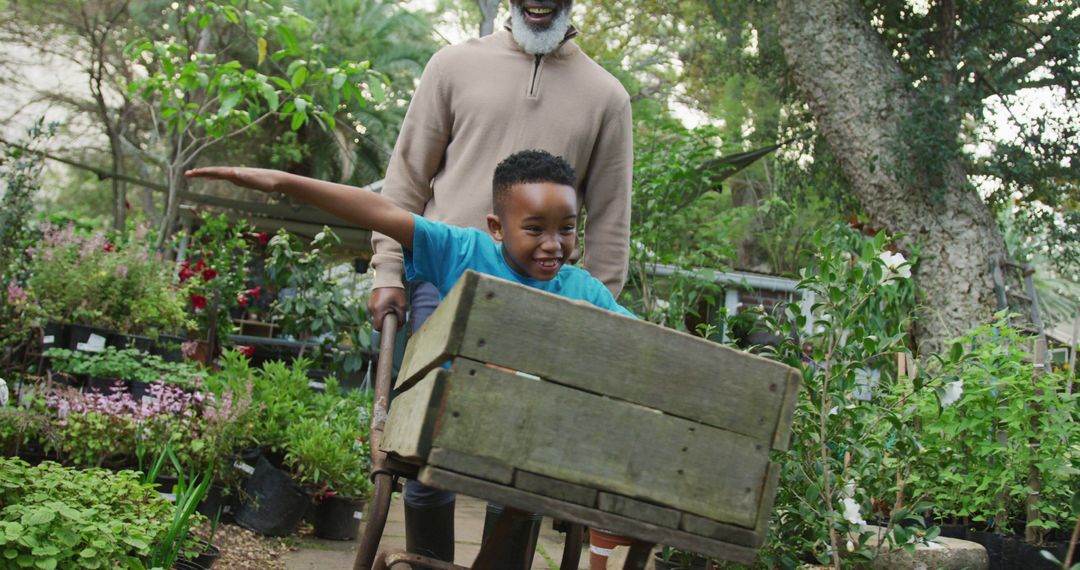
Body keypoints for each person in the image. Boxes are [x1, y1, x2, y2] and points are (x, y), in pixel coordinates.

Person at [185, 150, 634, 566]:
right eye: (535, 229)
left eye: (567, 229)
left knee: (520, 492)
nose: (554, 244)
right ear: (497, 227)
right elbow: (380, 211)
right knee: (433, 481)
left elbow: (642, 346)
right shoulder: (462, 250)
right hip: (449, 427)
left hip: (526, 446)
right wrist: (282, 182)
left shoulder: (585, 290)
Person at [366, 0, 634, 564]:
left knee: (524, 462)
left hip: (541, 300)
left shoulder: (606, 96)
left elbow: (610, 220)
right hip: (445, 283)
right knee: (427, 449)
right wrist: (389, 268)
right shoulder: (453, 66)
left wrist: (595, 321)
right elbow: (407, 177)